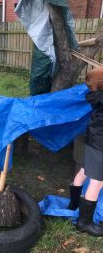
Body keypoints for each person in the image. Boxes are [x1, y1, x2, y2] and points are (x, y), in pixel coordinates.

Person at [69, 66, 103, 236]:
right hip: (100, 144)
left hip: (92, 138)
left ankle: (73, 204)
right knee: (97, 181)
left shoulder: (95, 96)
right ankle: (84, 222)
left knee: (84, 170)